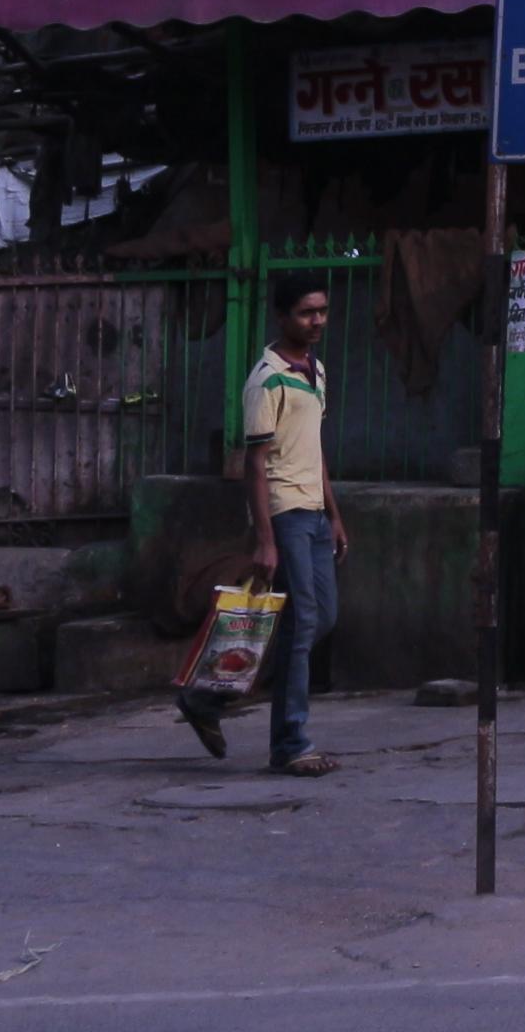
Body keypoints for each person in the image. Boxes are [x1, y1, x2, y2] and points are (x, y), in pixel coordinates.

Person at [188, 283, 345, 778]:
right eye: (305, 313)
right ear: (282, 316)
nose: (316, 321)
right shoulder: (267, 379)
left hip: (315, 513)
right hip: (284, 513)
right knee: (303, 628)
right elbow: (255, 464)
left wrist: (335, 514)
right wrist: (265, 539)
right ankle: (291, 743)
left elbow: (315, 449)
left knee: (321, 619)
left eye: (321, 312)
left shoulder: (315, 371)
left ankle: (206, 698)